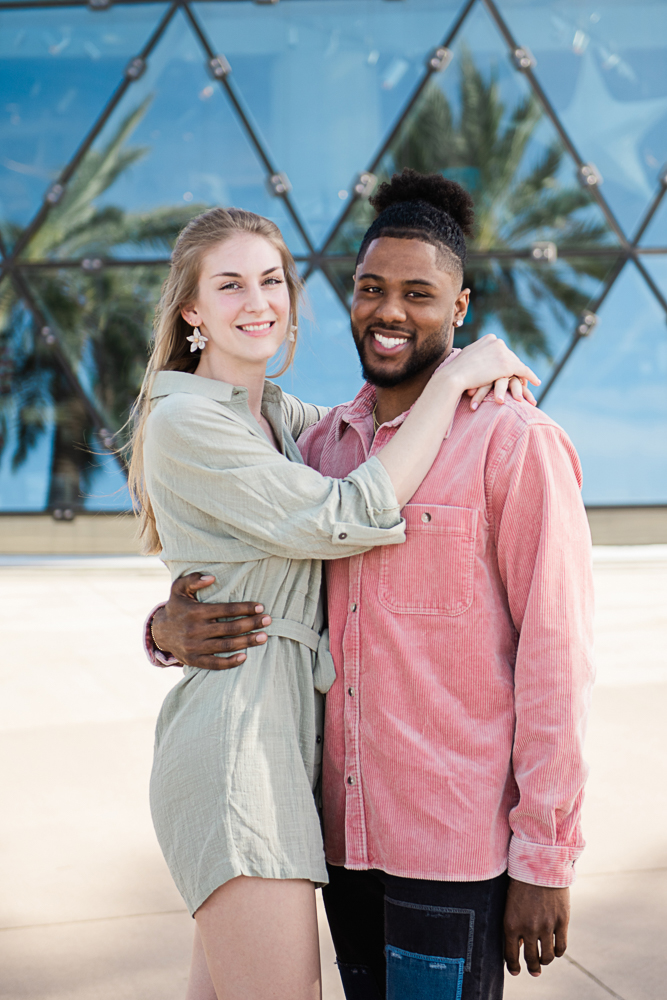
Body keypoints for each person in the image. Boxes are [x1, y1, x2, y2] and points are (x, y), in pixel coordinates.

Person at [148, 170, 595, 1000]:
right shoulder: (330, 449)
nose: (390, 311)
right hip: (335, 839)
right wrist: (162, 628)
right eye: (370, 288)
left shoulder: (513, 442)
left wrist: (545, 854)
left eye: (420, 293)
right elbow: (285, 542)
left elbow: (556, 660)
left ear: (460, 308)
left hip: (447, 845)